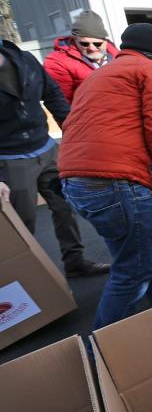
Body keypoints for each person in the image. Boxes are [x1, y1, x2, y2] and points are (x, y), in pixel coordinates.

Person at [59, 23, 152, 330]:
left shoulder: (100, 76)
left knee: (150, 250)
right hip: (114, 182)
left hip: (76, 179)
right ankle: (103, 348)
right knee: (134, 270)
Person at [0, 40, 109, 277]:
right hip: (10, 161)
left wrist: (75, 133)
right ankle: (29, 282)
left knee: (65, 206)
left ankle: (75, 261)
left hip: (46, 149)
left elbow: (53, 95)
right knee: (21, 223)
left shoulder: (25, 60)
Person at [43, 10, 119, 104]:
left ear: (105, 40)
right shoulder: (57, 62)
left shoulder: (116, 53)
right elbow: (62, 104)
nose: (92, 48)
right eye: (84, 44)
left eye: (97, 43)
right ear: (74, 40)